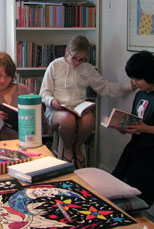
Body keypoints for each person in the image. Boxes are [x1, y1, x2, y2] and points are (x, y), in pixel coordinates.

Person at [40, 35, 135, 168]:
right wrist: (52, 101)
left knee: (89, 119)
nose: (78, 62)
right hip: (57, 110)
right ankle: (68, 149)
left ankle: (77, 148)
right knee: (68, 119)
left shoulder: (88, 69)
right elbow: (44, 92)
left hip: (79, 108)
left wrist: (129, 86)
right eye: (75, 58)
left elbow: (106, 87)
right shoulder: (55, 66)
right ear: (67, 51)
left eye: (82, 59)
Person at [112, 50, 154, 206]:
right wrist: (124, 126)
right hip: (135, 148)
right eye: (132, 79)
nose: (134, 83)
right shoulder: (140, 94)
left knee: (140, 192)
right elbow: (136, 121)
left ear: (150, 75)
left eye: (138, 79)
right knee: (118, 182)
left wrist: (146, 129)